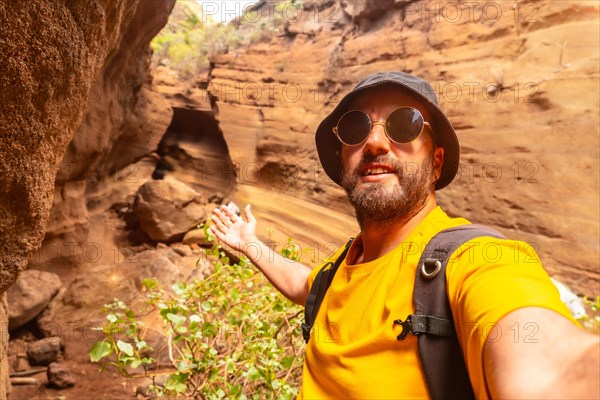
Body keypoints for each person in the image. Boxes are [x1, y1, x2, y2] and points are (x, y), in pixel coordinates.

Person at [209, 72, 599, 399]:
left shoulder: (476, 259)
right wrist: (250, 244)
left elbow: (551, 364)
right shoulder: (342, 266)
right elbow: (303, 285)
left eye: (405, 124)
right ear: (343, 157)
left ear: (436, 162)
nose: (375, 142)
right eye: (355, 127)